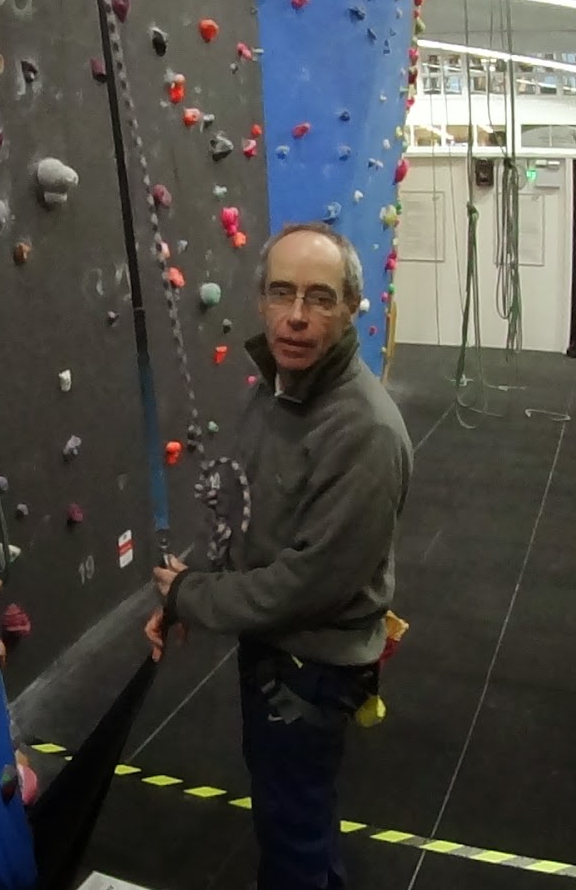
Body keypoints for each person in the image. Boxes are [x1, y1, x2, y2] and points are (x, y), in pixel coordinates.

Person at [145, 222, 415, 890]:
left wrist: (192, 598)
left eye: (320, 298)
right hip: (278, 648)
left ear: (353, 306)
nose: (297, 316)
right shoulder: (278, 389)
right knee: (287, 812)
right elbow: (251, 513)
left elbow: (307, 584)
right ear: (262, 300)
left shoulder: (364, 431)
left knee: (294, 828)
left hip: (310, 665)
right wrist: (196, 583)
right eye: (282, 293)